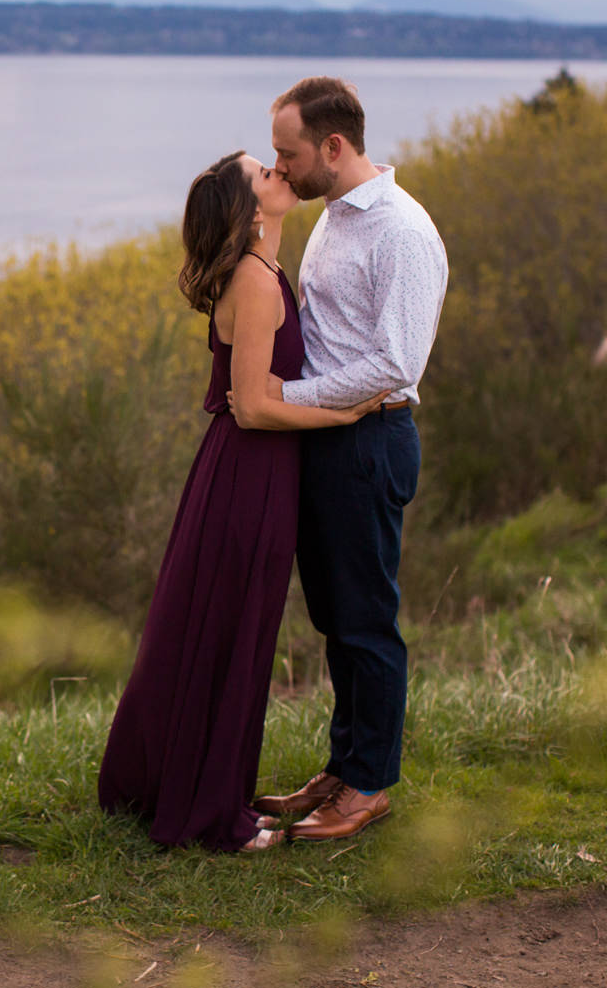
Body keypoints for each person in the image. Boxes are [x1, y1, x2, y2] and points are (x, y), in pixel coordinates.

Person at [97, 150, 386, 853]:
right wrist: (346, 414)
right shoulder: (255, 281)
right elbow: (253, 408)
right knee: (229, 636)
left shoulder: (264, 270)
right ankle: (208, 815)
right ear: (251, 210)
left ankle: (203, 791)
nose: (281, 172)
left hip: (256, 473)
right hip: (247, 477)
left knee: (233, 635)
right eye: (266, 173)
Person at [243, 76, 448, 841]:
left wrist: (287, 395)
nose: (279, 166)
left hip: (368, 440)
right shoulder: (334, 215)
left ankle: (368, 788)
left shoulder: (401, 231)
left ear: (333, 146)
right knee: (336, 618)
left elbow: (396, 362)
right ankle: (345, 765)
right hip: (326, 436)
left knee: (366, 621)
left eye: (288, 153)